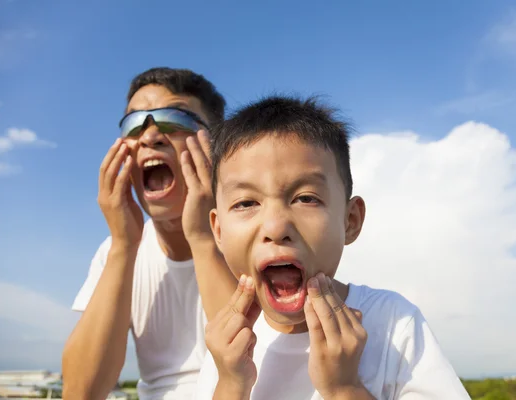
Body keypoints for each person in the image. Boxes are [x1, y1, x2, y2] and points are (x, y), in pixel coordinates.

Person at [191, 96, 472, 399]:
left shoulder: (394, 322)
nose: (275, 227)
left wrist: (344, 388)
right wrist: (231, 383)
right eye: (246, 203)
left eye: (306, 198)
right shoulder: (226, 346)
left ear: (350, 220)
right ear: (218, 230)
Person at [62, 67, 238, 400]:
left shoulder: (256, 231)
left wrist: (202, 237)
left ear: (216, 145)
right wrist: (123, 245)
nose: (149, 136)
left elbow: (264, 364)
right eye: (134, 123)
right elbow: (82, 392)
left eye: (174, 119)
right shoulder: (116, 250)